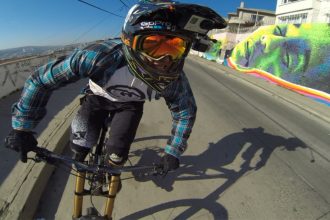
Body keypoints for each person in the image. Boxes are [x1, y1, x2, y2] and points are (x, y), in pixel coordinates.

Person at [4, 0, 226, 173]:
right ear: (129, 42)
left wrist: (174, 150)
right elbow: (40, 80)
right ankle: (87, 160)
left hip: (129, 106)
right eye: (153, 46)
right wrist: (21, 128)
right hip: (96, 98)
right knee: (79, 148)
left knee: (117, 155)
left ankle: (109, 168)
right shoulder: (97, 57)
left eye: (175, 47)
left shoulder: (173, 79)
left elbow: (186, 111)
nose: (164, 60)